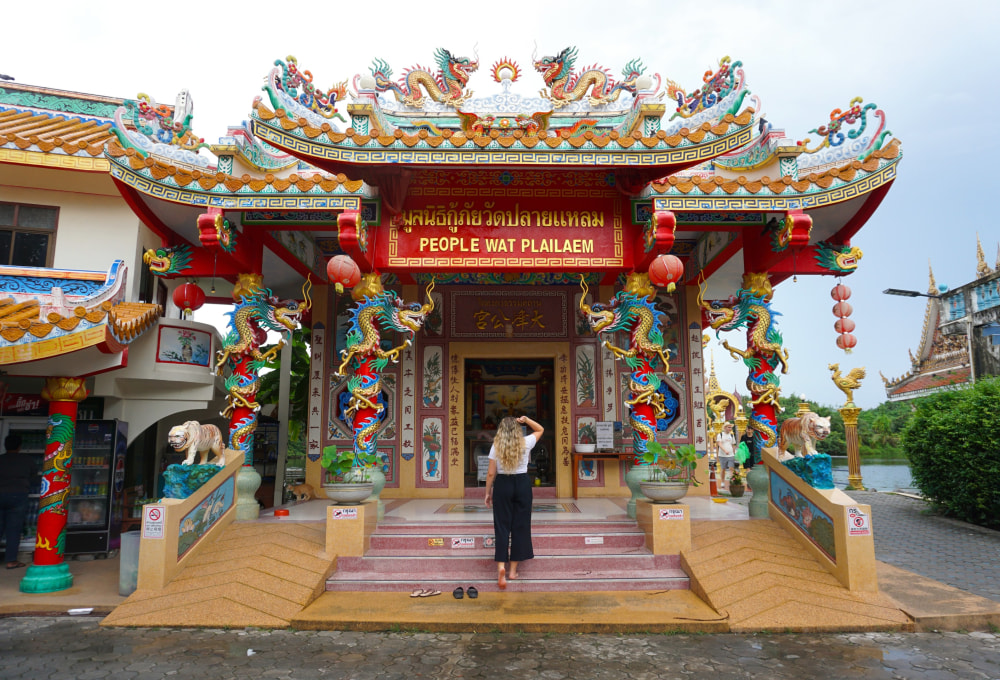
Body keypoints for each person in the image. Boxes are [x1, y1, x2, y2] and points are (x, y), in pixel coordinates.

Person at [484, 415, 543, 589]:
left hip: (503, 484)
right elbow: (540, 429)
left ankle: (501, 568)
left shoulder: (497, 446)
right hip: (522, 484)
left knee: (502, 526)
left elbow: (490, 474)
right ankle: (513, 571)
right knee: (520, 526)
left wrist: (488, 493)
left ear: (501, 430)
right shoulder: (525, 442)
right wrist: (526, 420)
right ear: (517, 430)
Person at [0, 434, 32, 569]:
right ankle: (11, 561)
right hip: (18, 495)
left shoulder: (1, 459)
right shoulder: (26, 460)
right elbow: (34, 476)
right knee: (14, 529)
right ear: (19, 447)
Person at [715, 422, 737, 489]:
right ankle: (722, 482)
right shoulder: (720, 435)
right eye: (728, 427)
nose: (730, 428)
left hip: (730, 455)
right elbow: (719, 444)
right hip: (722, 455)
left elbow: (733, 445)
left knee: (731, 468)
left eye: (730, 427)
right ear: (725, 427)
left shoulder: (732, 435)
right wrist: (725, 450)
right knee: (723, 469)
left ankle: (731, 481)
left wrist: (734, 453)